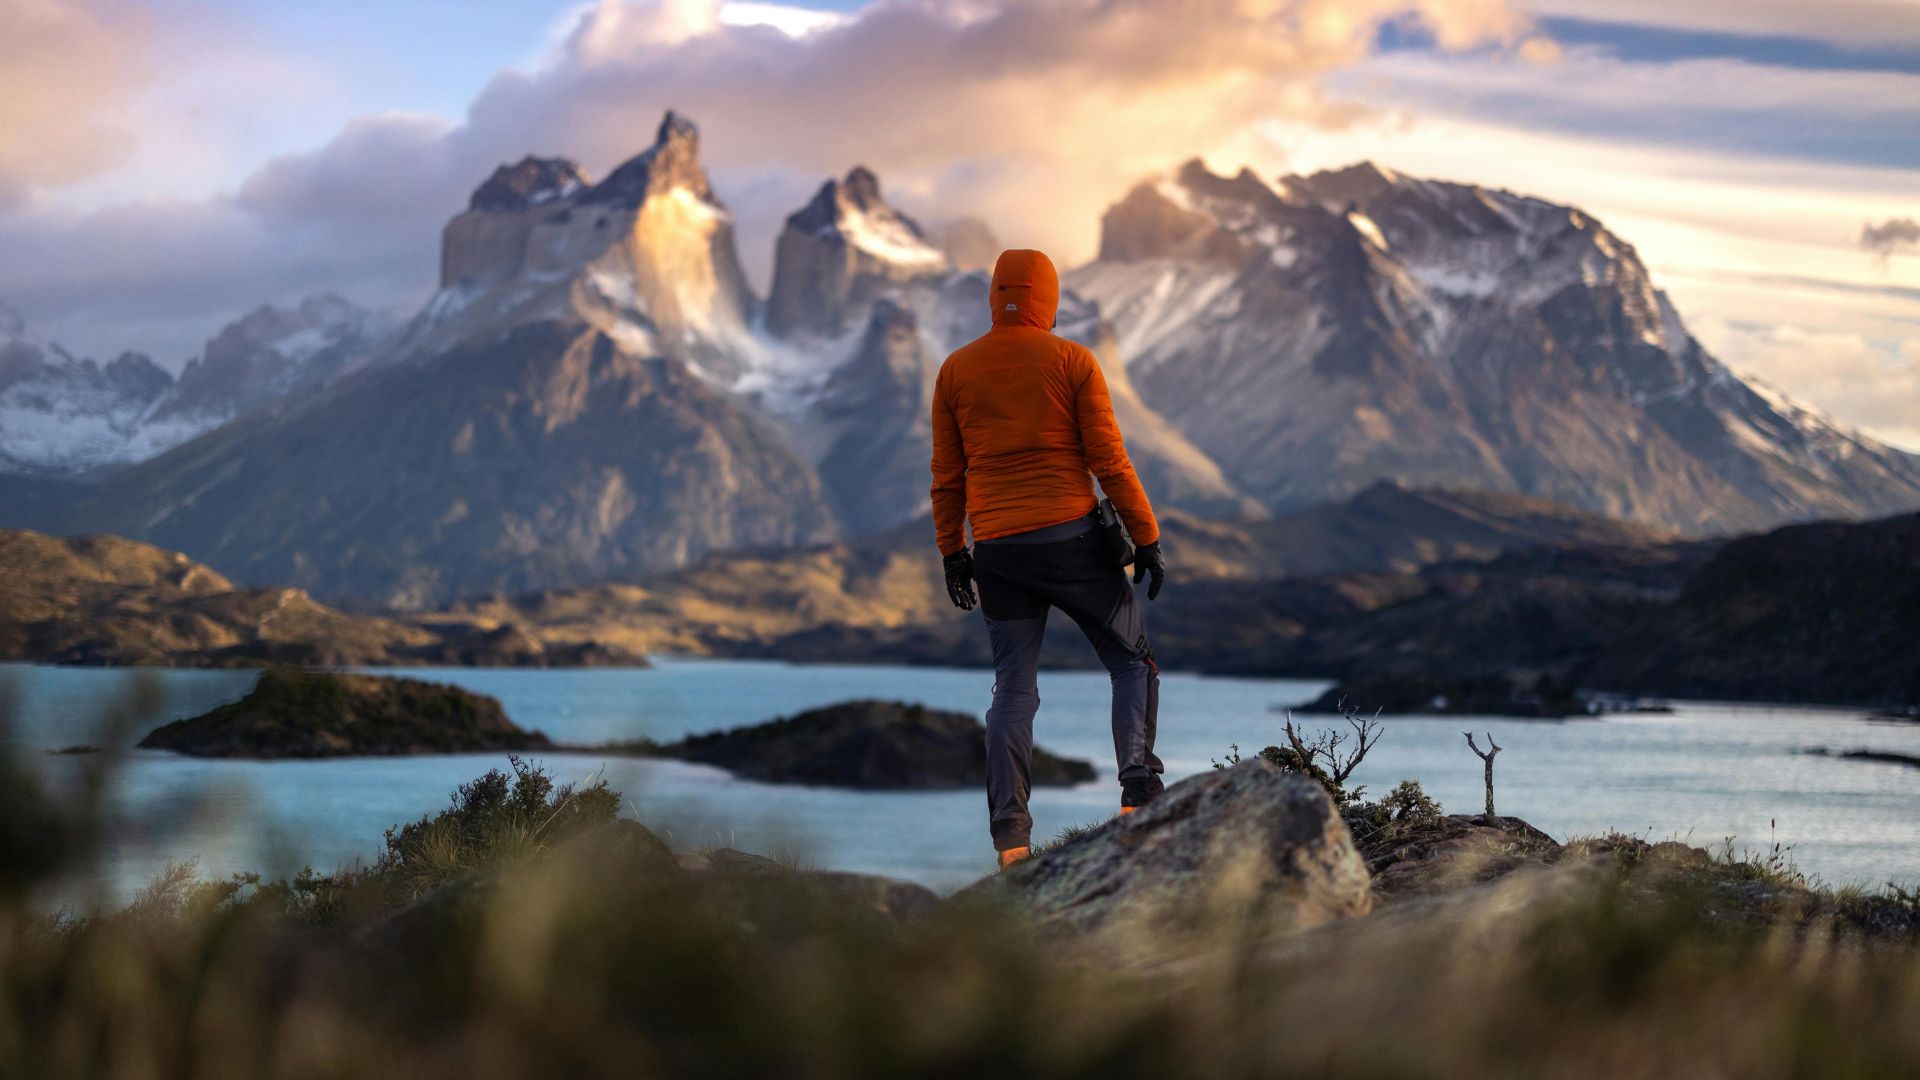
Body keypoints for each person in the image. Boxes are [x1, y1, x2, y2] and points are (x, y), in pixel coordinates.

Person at [929, 248, 1167, 871]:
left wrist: (955, 554)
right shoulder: (1072, 361)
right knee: (1130, 661)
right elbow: (1109, 461)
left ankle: (1011, 839)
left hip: (999, 552)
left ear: (995, 296)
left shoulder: (955, 370)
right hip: (1072, 541)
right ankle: (1138, 797)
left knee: (1013, 690)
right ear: (1048, 301)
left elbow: (947, 478)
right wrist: (1146, 538)